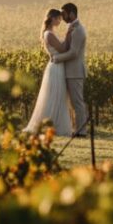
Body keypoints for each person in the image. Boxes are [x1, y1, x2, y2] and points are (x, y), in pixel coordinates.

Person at [22, 8, 73, 136]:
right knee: (55, 96)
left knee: (58, 96)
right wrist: (68, 35)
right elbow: (62, 49)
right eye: (58, 19)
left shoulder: (50, 33)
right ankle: (52, 125)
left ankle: (54, 124)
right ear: (52, 18)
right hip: (56, 68)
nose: (60, 21)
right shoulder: (49, 34)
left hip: (57, 66)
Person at [52, 2, 88, 137]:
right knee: (73, 103)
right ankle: (76, 129)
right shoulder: (72, 28)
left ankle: (82, 131)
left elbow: (73, 52)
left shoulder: (79, 30)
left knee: (77, 103)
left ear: (72, 13)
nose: (62, 17)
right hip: (70, 71)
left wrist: (57, 58)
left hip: (75, 72)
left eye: (64, 14)